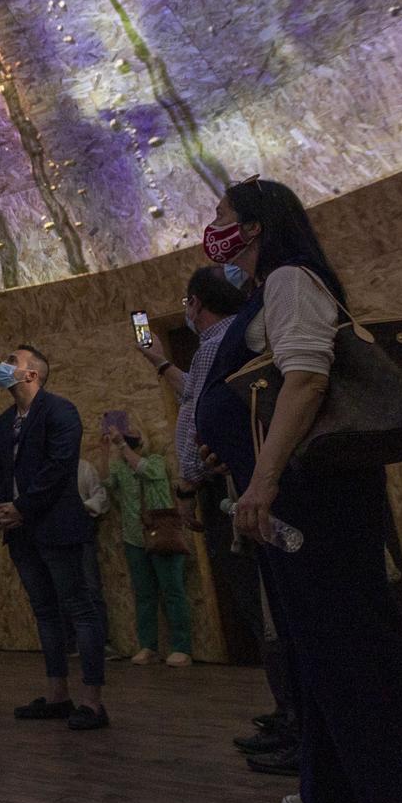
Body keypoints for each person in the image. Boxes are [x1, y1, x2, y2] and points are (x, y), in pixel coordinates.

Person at [195, 177, 402, 803]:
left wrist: (263, 477)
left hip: (314, 500)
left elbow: (306, 381)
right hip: (290, 502)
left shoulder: (289, 279)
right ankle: (338, 797)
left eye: (222, 217)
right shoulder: (264, 291)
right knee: (319, 656)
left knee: (356, 652)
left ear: (254, 227)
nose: (212, 227)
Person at [138, 268, 278, 748]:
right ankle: (290, 711)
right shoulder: (217, 347)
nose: (185, 312)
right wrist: (159, 363)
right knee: (263, 607)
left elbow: (202, 423)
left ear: (196, 304)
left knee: (265, 609)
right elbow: (194, 394)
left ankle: (296, 716)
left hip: (234, 491)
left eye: (186, 303)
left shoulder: (223, 341)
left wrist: (185, 489)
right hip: (228, 487)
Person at [0, 345, 108, 731]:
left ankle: (92, 702)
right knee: (45, 611)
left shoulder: (61, 411)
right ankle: (58, 694)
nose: (3, 366)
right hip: (21, 531)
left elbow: (59, 468)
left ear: (32, 375)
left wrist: (22, 507)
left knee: (79, 608)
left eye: (12, 361)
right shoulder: (5, 420)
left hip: (55, 526)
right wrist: (2, 508)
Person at [101, 416, 190, 667]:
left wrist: (122, 445)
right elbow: (107, 482)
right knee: (144, 594)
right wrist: (105, 451)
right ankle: (148, 645)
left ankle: (182, 646)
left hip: (162, 533)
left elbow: (142, 469)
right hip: (134, 538)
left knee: (173, 591)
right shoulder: (121, 467)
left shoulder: (156, 462)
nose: (126, 433)